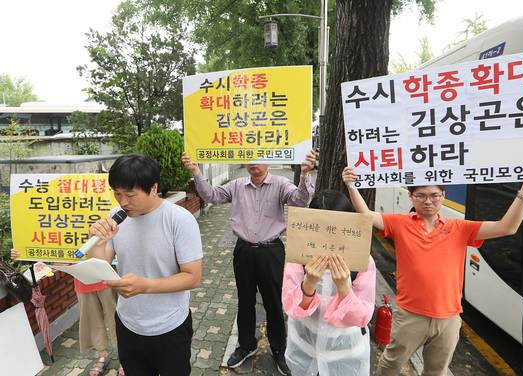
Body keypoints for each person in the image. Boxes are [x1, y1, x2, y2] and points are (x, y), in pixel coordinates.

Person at [342, 164, 523, 376]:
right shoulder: (400, 223)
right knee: (391, 364)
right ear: (411, 197)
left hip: (448, 319)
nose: (428, 201)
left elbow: (507, 227)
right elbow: (367, 215)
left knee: (437, 371)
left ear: (443, 195)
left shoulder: (459, 228)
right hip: (409, 315)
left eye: (434, 195)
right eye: (421, 195)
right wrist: (351, 186)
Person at [182, 150, 317, 375]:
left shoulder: (281, 184)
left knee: (273, 302)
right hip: (243, 250)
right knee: (245, 301)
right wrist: (196, 170)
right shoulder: (237, 185)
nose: (254, 163)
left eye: (259, 158)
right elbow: (212, 196)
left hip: (271, 251)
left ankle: (278, 349)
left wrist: (304, 175)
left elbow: (301, 201)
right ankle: (246, 345)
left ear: (270, 160)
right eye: (250, 159)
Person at [87, 154, 203, 376]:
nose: (123, 202)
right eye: (117, 194)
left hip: (170, 327)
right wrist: (98, 243)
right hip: (127, 324)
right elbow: (101, 266)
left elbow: (192, 277)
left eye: (130, 195)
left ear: (153, 188)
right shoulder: (117, 216)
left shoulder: (179, 219)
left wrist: (145, 285)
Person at [281, 190, 376, 376]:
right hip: (304, 348)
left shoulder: (362, 262)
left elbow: (362, 317)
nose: (328, 240)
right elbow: (290, 306)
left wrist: (344, 289)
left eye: (337, 230)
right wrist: (308, 284)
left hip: (345, 355)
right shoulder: (298, 258)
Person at [9, 250, 124, 376]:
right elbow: (57, 260)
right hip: (82, 284)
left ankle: (124, 360)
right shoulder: (65, 232)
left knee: (117, 320)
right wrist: (24, 251)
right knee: (92, 321)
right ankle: (101, 356)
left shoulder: (101, 230)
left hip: (107, 281)